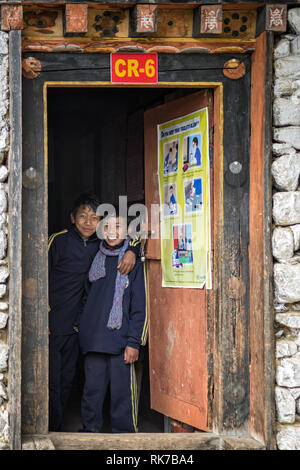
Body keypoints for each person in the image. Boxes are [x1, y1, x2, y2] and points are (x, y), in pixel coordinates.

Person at [48, 193, 140, 432]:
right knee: (55, 382)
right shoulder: (61, 243)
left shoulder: (116, 255)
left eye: (95, 218)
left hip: (90, 331)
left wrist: (134, 249)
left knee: (71, 380)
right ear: (72, 218)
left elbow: (137, 234)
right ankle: (53, 429)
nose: (89, 222)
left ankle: (119, 435)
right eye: (83, 217)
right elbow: (37, 278)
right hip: (57, 324)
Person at [79, 211, 147, 433]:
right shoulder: (94, 259)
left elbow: (140, 306)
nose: (111, 232)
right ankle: (90, 435)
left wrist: (134, 342)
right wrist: (84, 329)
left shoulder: (132, 263)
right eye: (107, 227)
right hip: (94, 340)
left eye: (118, 227)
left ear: (128, 231)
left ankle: (125, 439)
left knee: (122, 396)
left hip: (121, 342)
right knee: (92, 392)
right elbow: (87, 297)